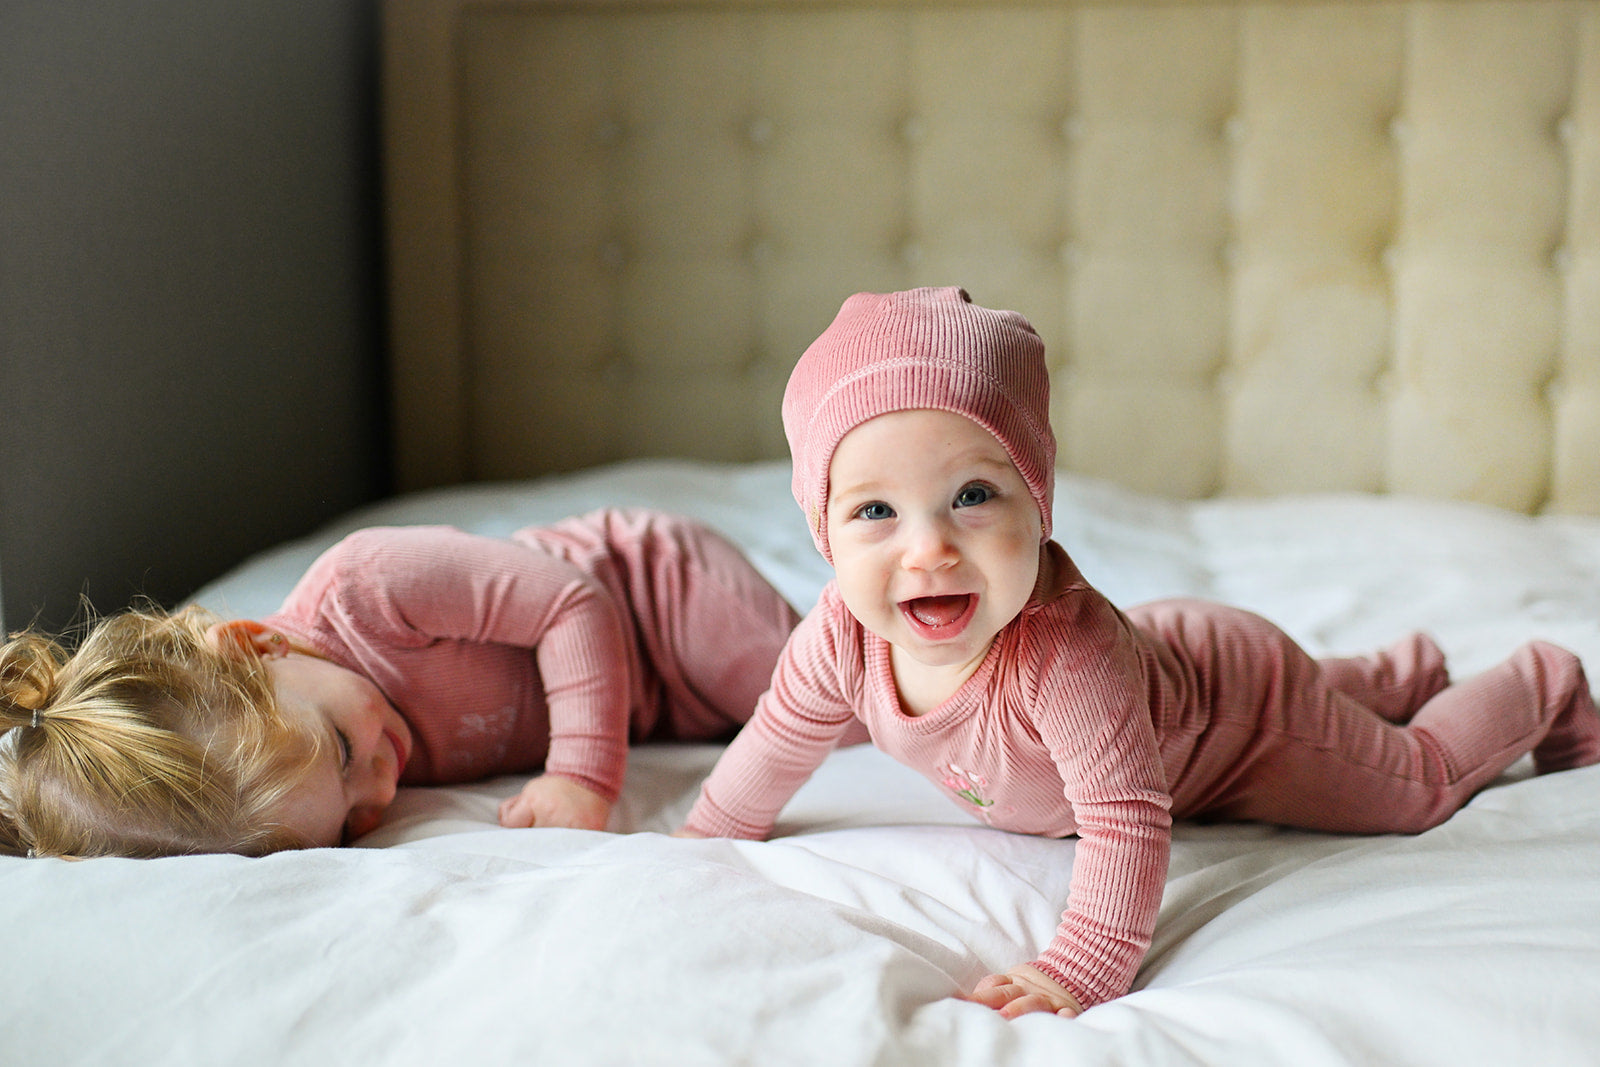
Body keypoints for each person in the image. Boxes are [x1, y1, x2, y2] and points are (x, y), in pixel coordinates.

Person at [678, 286, 1600, 1019]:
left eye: (972, 496)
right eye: (875, 511)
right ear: (823, 534)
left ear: (1039, 507)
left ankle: (1540, 681)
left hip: (1242, 719)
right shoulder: (839, 636)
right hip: (1177, 656)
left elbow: (1125, 818)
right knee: (1292, 687)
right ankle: (1395, 671)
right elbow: (776, 743)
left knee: (1411, 785)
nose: (928, 549)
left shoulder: (1063, 659)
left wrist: (1079, 966)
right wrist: (699, 840)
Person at [0, 508, 812, 857]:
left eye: (345, 749)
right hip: (662, 705)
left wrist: (580, 775)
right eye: (353, 824)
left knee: (841, 707)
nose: (381, 787)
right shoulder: (303, 761)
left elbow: (575, 601)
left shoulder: (368, 586)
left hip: (661, 600)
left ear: (256, 648)